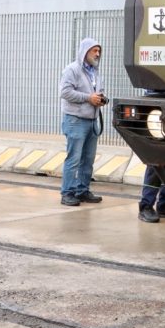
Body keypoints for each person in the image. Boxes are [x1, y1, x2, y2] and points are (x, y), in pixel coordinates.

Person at [58, 37, 108, 206]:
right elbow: (65, 92)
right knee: (74, 158)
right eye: (94, 50)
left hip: (92, 120)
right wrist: (88, 98)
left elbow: (97, 91)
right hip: (76, 120)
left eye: (99, 51)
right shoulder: (72, 70)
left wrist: (100, 99)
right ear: (85, 52)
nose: (98, 54)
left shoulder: (95, 71)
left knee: (88, 159)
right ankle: (67, 193)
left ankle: (82, 190)